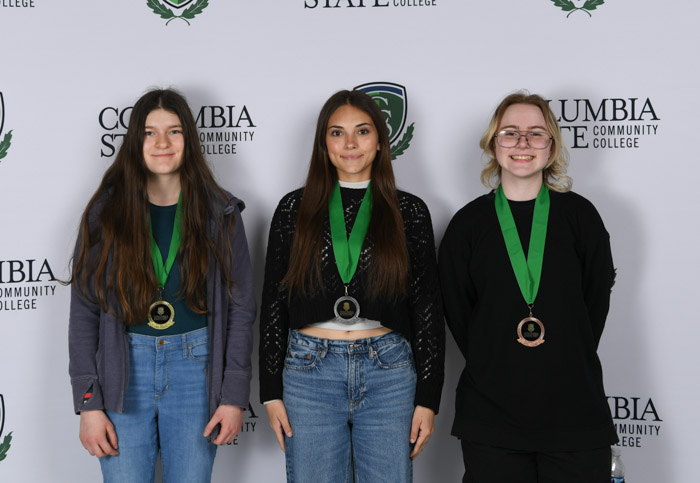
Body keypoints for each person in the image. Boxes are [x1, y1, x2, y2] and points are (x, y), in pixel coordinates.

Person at [68, 88, 255, 483]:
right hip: (123, 370)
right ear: (135, 142)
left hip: (197, 368)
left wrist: (234, 394)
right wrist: (88, 402)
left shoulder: (221, 213)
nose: (162, 143)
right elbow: (84, 311)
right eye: (150, 133)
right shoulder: (106, 211)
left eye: (173, 131)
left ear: (189, 139)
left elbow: (241, 308)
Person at [259, 89, 444, 482]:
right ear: (323, 144)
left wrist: (429, 399)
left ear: (379, 141)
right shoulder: (294, 208)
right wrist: (270, 391)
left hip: (389, 372)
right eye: (337, 133)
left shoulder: (409, 211)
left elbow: (427, 311)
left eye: (362, 131)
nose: (350, 144)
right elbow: (274, 304)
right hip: (309, 372)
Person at [438, 91, 618, 483]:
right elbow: (459, 312)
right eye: (510, 133)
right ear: (493, 144)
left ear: (551, 147)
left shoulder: (581, 217)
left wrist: (563, 352)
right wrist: (497, 356)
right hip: (491, 417)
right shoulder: (467, 226)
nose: (522, 143)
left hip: (576, 415)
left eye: (536, 134)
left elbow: (593, 305)